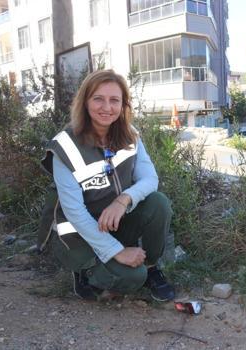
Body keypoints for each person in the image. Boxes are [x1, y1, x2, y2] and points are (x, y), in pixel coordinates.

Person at [40, 69, 175, 301]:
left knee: (158, 203)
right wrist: (117, 251)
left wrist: (122, 201)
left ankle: (152, 268)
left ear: (123, 105)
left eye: (114, 100)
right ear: (85, 101)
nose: (106, 107)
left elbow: (150, 179)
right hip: (78, 236)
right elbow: (74, 212)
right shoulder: (65, 146)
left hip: (113, 223)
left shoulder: (130, 134)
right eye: (98, 99)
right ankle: (84, 272)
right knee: (133, 278)